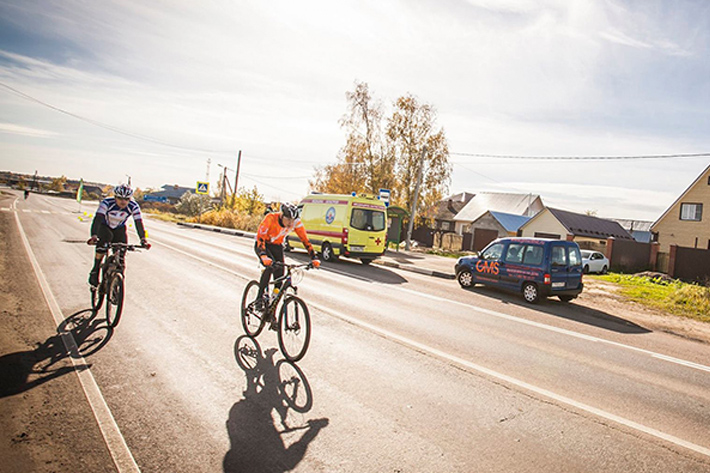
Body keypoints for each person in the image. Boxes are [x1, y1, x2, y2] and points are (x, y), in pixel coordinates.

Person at [254, 202, 320, 312]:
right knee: (271, 267)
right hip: (263, 245)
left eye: (292, 220)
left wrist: (314, 257)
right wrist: (263, 255)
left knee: (280, 275)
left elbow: (305, 240)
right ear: (281, 215)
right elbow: (260, 238)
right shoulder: (270, 218)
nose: (290, 223)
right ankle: (259, 299)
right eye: (288, 219)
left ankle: (272, 306)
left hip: (277, 246)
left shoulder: (295, 223)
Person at [87, 184, 150, 286]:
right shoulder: (107, 203)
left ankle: (117, 283)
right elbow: (97, 219)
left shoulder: (133, 206)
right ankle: (95, 269)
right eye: (120, 198)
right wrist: (94, 235)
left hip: (119, 229)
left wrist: (143, 239)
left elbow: (138, 223)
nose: (123, 202)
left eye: (126, 199)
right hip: (104, 226)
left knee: (121, 253)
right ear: (115, 197)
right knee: (104, 241)